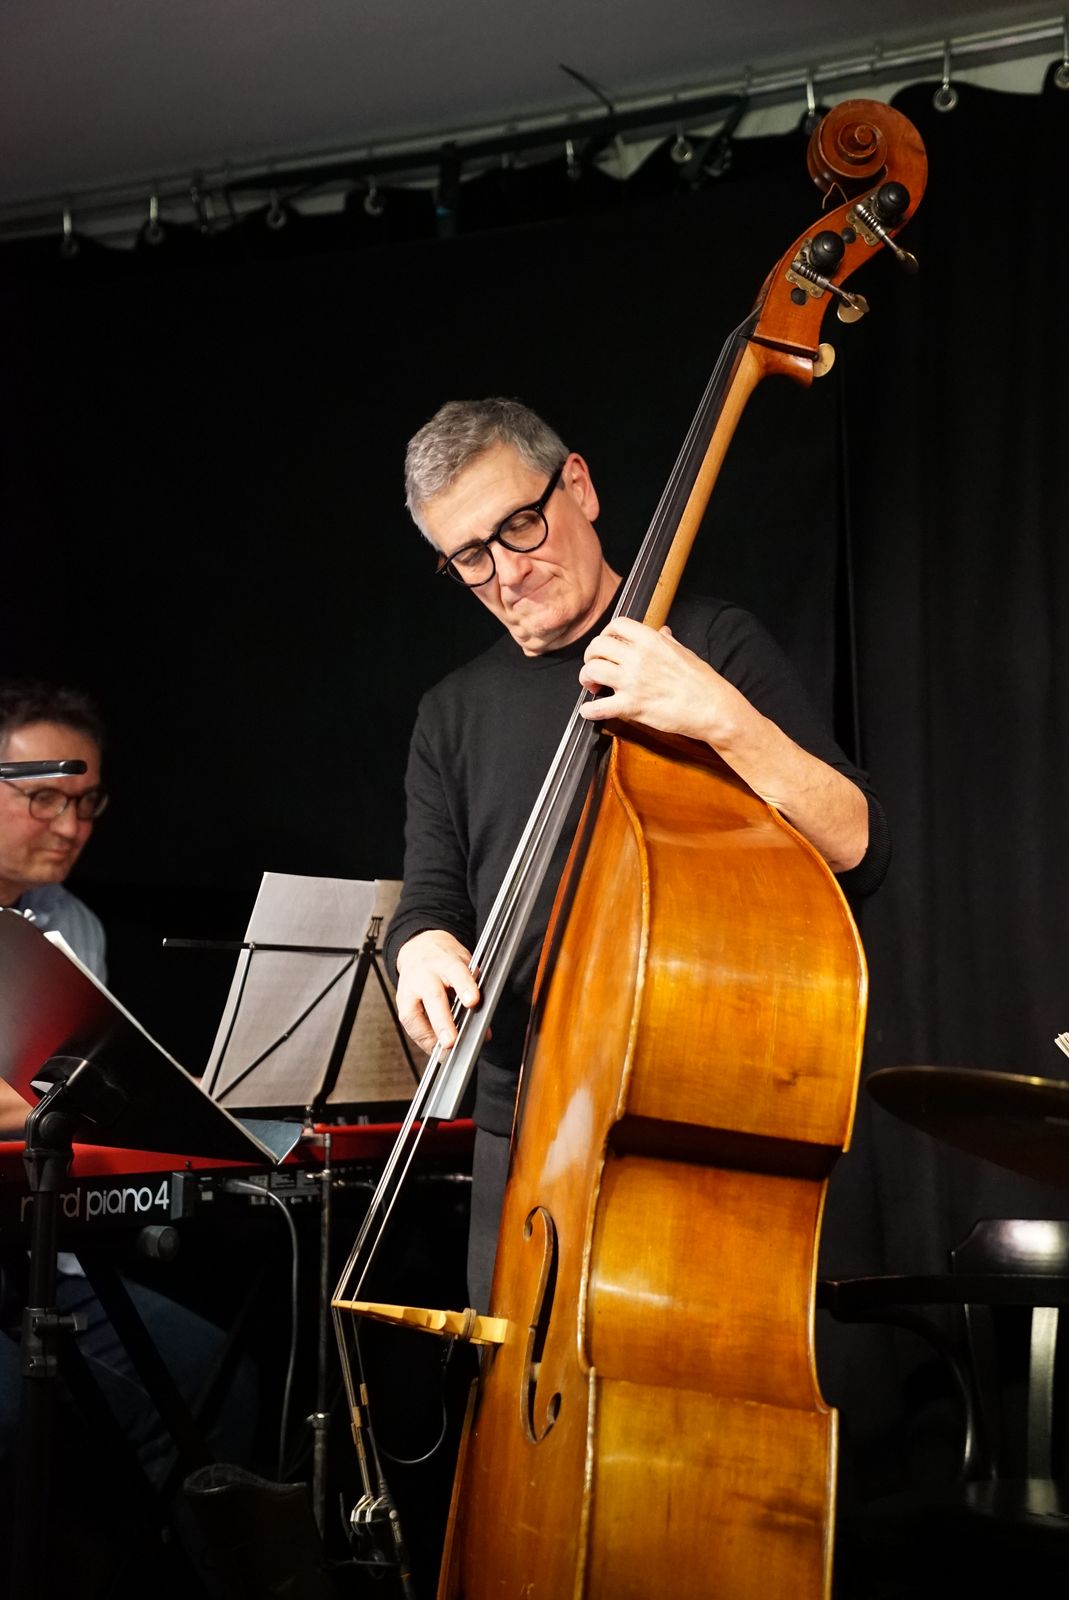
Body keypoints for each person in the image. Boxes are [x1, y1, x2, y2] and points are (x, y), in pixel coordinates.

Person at [384, 398, 890, 1312]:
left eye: (520, 525)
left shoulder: (710, 645)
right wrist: (419, 947)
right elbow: (432, 902)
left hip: (688, 1112)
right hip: (518, 1128)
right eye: (470, 557)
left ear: (576, 486)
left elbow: (859, 843)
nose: (507, 572)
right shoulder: (450, 714)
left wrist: (723, 720)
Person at [0, 679, 109, 1134]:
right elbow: (86, 1085)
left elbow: (81, 1073)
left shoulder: (76, 924)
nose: (71, 829)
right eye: (44, 798)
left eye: (86, 802)